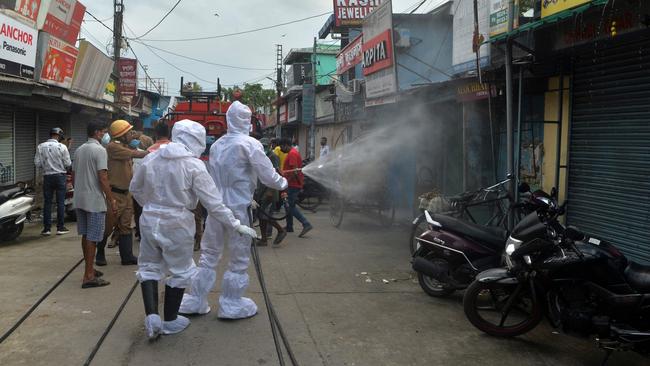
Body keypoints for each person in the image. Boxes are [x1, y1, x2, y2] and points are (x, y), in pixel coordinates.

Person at [130, 119, 258, 339]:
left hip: (149, 219)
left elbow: (135, 189)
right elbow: (214, 204)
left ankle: (152, 316)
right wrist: (237, 225)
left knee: (149, 267)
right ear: (197, 140)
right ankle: (170, 320)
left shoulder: (151, 158)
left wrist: (151, 207)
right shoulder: (193, 165)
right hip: (178, 222)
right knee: (180, 270)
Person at [179, 101, 288, 319]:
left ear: (228, 120)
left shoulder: (218, 144)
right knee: (238, 256)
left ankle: (196, 299)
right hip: (239, 208)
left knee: (209, 254)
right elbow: (268, 175)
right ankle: (231, 303)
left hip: (217, 206)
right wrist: (283, 183)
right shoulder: (250, 144)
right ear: (248, 121)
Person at [95, 120, 148, 267]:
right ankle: (99, 253)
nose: (132, 135)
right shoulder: (113, 148)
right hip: (115, 194)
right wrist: (154, 151)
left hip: (126, 194)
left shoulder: (123, 146)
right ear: (122, 134)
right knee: (108, 226)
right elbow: (137, 154)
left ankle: (127, 256)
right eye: (129, 132)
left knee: (126, 226)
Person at [73, 121, 116, 288]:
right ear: (97, 133)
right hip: (94, 200)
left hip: (80, 198)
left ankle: (89, 269)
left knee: (86, 235)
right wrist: (111, 198)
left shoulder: (79, 150)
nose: (105, 135)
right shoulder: (99, 150)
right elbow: (103, 177)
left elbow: (75, 175)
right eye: (104, 132)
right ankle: (89, 276)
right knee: (93, 237)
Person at [34, 127, 72, 236]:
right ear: (59, 136)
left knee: (47, 203)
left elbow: (37, 163)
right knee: (60, 202)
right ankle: (60, 228)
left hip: (47, 177)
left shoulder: (40, 146)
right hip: (60, 177)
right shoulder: (62, 147)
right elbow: (68, 163)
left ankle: (46, 229)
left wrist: (47, 166)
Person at [255, 138, 287, 246]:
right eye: (262, 146)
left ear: (270, 146)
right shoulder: (261, 156)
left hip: (269, 190)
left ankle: (281, 230)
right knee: (261, 215)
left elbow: (276, 174)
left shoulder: (273, 157)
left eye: (265, 146)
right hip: (261, 189)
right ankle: (264, 239)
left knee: (265, 215)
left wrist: (271, 190)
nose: (263, 148)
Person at [280, 138, 313, 237]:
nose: (281, 149)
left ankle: (306, 224)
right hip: (291, 184)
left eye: (281, 146)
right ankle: (289, 226)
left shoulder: (292, 154)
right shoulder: (293, 152)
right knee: (288, 205)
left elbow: (294, 172)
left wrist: (286, 182)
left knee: (291, 206)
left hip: (293, 185)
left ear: (286, 145)